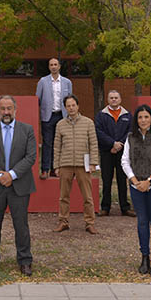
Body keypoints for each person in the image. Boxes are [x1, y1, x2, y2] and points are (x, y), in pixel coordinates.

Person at [0, 95, 37, 276]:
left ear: (15, 109)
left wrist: (11, 175)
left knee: (21, 226)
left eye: (9, 108)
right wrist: (0, 175)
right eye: (3, 109)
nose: (6, 112)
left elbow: (30, 157)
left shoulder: (27, 130)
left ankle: (25, 260)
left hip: (19, 185)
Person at [121, 104, 151, 275]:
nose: (143, 120)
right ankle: (144, 257)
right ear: (136, 120)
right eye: (140, 117)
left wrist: (149, 181)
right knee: (142, 222)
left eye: (146, 117)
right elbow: (125, 161)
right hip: (136, 186)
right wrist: (134, 180)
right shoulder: (130, 137)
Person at [53, 94, 99, 234]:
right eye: (68, 106)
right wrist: (56, 165)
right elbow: (56, 146)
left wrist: (93, 162)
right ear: (65, 108)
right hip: (65, 164)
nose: (71, 108)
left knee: (87, 196)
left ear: (78, 106)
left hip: (82, 164)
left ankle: (89, 223)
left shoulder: (88, 122)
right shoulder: (60, 124)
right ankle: (63, 221)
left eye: (73, 105)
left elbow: (93, 143)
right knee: (63, 196)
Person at [94, 90, 133, 217]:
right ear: (108, 99)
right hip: (107, 152)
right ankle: (105, 207)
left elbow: (130, 132)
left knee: (122, 179)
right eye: (111, 98)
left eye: (116, 97)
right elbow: (98, 132)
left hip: (122, 152)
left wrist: (119, 144)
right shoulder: (101, 115)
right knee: (106, 179)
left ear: (120, 99)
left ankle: (125, 207)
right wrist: (112, 144)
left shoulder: (127, 115)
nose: (114, 100)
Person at [35, 58, 72, 179]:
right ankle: (45, 169)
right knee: (47, 143)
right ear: (49, 67)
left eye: (55, 64)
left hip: (62, 116)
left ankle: (56, 169)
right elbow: (37, 100)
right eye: (51, 65)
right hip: (48, 116)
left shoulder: (67, 82)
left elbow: (70, 101)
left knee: (61, 144)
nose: (54, 67)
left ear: (59, 66)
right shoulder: (43, 81)